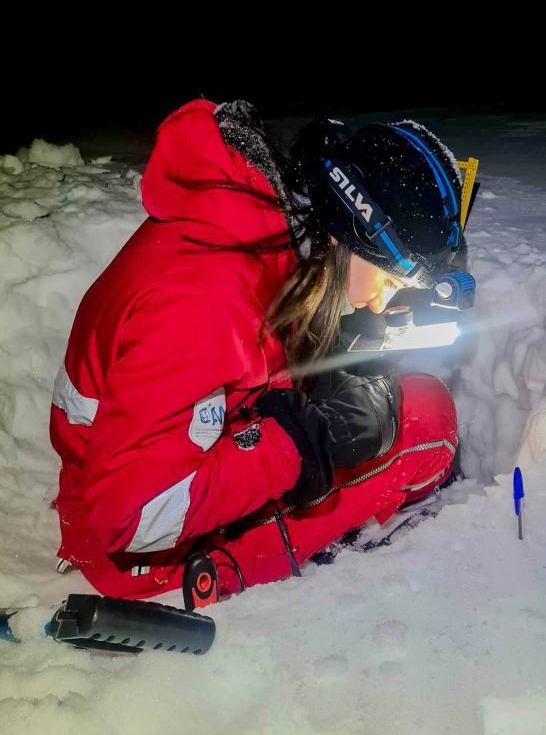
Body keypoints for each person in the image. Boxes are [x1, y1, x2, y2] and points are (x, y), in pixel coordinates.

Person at [50, 99, 462, 600]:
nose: (381, 301)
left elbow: (242, 362)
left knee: (399, 401)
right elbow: (130, 519)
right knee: (427, 422)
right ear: (347, 234)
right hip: (143, 549)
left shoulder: (252, 225)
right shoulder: (206, 302)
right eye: (389, 281)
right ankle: (262, 558)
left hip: (140, 466)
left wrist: (336, 368)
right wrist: (300, 443)